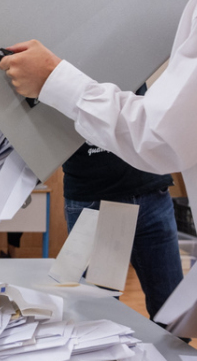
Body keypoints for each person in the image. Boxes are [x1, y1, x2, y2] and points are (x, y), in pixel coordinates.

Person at [0, 0, 197, 223]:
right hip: (90, 193)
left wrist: (54, 79)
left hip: (146, 188)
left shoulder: (125, 52)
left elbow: (159, 137)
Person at [63, 84, 182, 320]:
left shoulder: (127, 49)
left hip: (151, 191)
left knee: (174, 317)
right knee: (100, 319)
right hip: (97, 199)